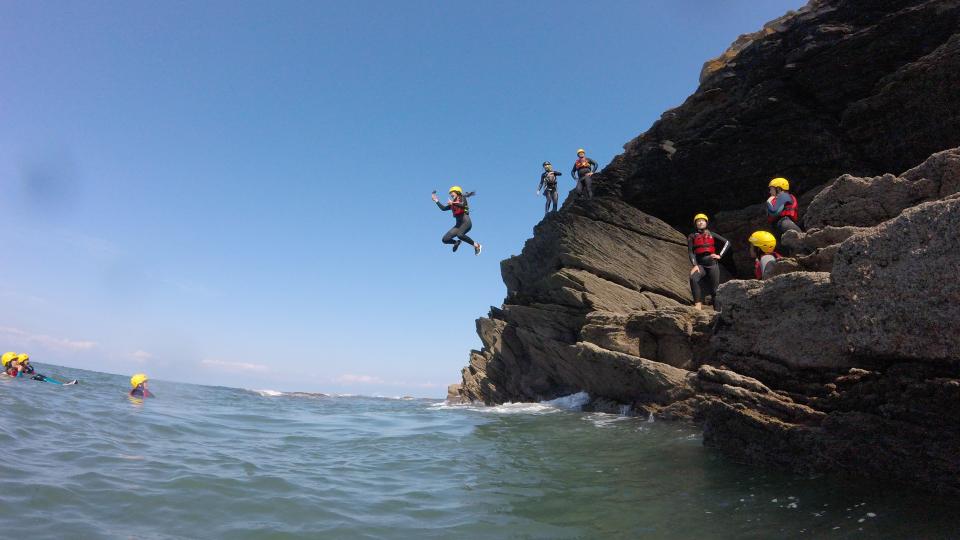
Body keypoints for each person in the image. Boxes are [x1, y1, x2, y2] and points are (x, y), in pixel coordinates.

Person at [687, 213, 730, 310]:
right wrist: (695, 265)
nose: (700, 222)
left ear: (706, 223)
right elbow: (690, 252)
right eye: (698, 221)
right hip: (701, 264)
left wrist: (720, 255)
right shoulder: (692, 236)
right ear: (695, 224)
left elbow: (727, 243)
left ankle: (717, 312)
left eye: (702, 221)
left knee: (714, 290)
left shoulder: (712, 234)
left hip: (712, 264)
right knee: (693, 278)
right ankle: (698, 305)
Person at [432, 186, 482, 255]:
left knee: (460, 235)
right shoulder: (453, 203)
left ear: (457, 192)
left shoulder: (462, 198)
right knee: (445, 239)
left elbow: (463, 204)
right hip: (458, 225)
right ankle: (456, 242)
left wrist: (452, 203)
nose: (451, 194)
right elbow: (443, 208)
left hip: (466, 222)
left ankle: (477, 245)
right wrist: (436, 201)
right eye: (450, 194)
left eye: (452, 193)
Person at [765, 177, 802, 242]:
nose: (770, 192)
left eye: (771, 189)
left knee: (797, 239)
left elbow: (774, 211)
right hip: (779, 225)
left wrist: (769, 201)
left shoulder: (784, 196)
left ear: (778, 189)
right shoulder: (778, 198)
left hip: (785, 222)